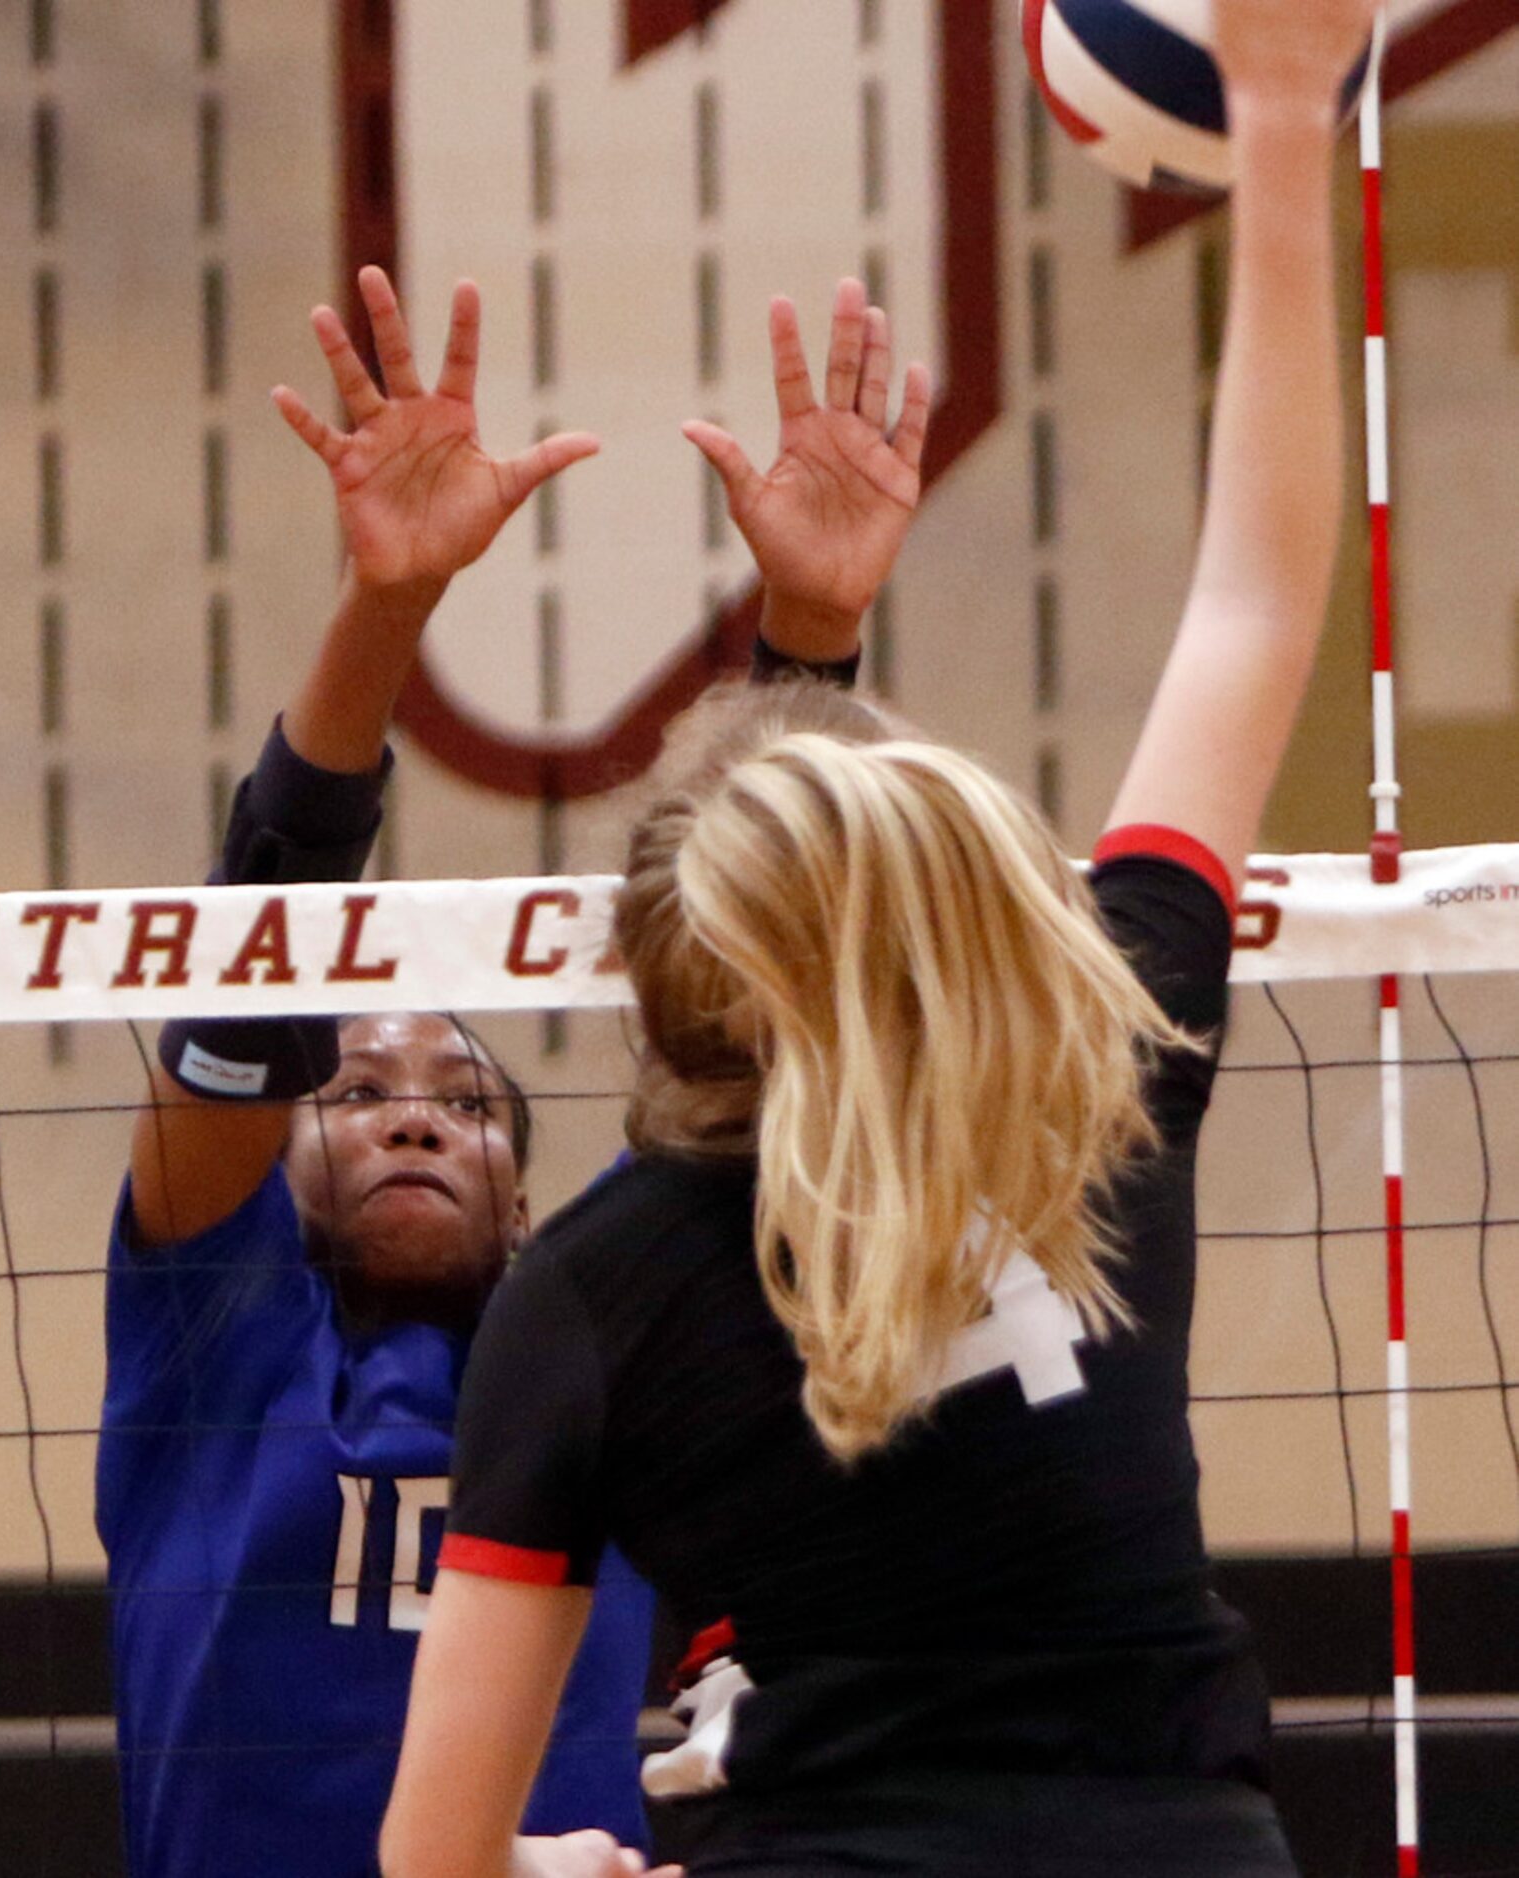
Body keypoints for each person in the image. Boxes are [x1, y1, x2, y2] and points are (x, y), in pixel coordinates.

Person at [378, 2, 1373, 1873]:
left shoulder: (590, 1291)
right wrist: (1286, 116)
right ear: (966, 901)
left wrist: (553, 1864)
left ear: (675, 988)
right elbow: (1254, 599)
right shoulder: (1100, 1070)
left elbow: (430, 1857)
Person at [95, 270, 663, 1878]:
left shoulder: (601, 1336)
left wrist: (812, 634)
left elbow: (755, 1007)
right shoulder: (216, 1339)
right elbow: (259, 937)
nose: (417, 1104)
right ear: (278, 1157)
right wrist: (389, 607)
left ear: (532, 1198)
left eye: (468, 1101)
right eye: (356, 1091)